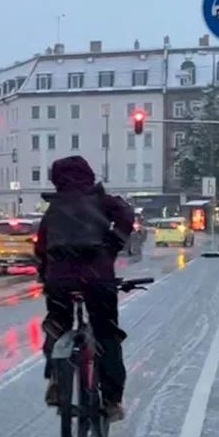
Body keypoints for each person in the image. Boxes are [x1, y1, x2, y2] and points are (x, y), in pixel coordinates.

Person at [33, 155, 135, 421]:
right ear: (89, 174)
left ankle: (57, 378)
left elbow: (41, 248)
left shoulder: (53, 210)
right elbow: (126, 214)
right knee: (106, 333)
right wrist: (111, 247)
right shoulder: (102, 200)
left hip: (60, 279)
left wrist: (45, 277)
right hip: (97, 277)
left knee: (56, 324)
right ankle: (111, 401)